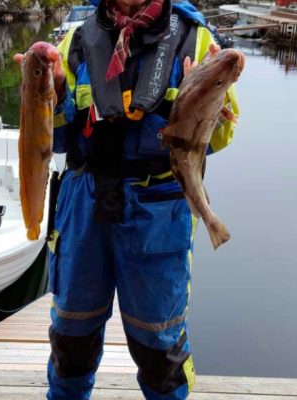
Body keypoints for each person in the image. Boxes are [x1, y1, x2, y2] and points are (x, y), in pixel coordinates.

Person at [44, 0, 239, 399]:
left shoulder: (196, 39)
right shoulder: (77, 40)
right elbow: (57, 140)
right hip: (84, 205)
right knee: (71, 340)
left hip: (158, 212)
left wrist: (210, 103)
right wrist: (56, 90)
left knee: (160, 351)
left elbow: (218, 141)